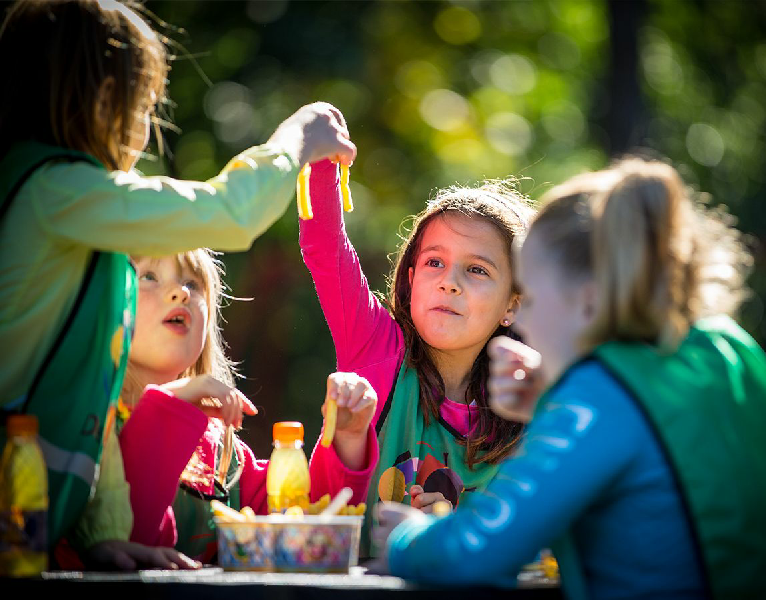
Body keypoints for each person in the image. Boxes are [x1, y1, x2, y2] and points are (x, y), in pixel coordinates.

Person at [0, 0, 355, 569]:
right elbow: (231, 211)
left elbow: (92, 400)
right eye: (141, 105)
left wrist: (104, 535)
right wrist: (299, 136)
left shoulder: (60, 205)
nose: (144, 128)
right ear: (96, 98)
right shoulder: (57, 190)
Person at [375, 158, 766, 598]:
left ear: (589, 301)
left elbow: (477, 554)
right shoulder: (728, 347)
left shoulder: (596, 397)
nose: (525, 325)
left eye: (534, 298)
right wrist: (549, 401)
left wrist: (409, 539)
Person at [299, 159, 534, 555]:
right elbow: (325, 244)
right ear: (411, 280)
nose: (449, 283)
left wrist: (440, 535)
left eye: (476, 270)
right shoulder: (375, 347)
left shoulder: (525, 401)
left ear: (512, 305)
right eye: (434, 262)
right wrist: (322, 159)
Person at [118, 249, 378, 563]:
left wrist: (348, 438)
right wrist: (168, 405)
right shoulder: (89, 430)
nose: (180, 292)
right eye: (148, 276)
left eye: (193, 283)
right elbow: (120, 536)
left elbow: (300, 539)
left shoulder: (224, 451)